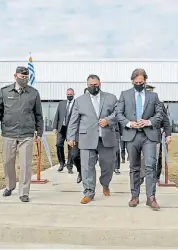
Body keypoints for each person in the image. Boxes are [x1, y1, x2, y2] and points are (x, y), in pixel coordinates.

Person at [0, 66, 43, 203]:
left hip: (26, 134)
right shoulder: (4, 92)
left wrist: (39, 132)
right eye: (21, 77)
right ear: (15, 76)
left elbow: (38, 115)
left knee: (25, 164)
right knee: (8, 162)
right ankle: (10, 185)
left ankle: (24, 192)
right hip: (8, 133)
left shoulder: (33, 93)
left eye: (26, 77)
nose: (24, 79)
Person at [116, 68, 163, 211]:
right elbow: (118, 113)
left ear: (145, 81)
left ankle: (151, 197)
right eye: (136, 82)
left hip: (149, 136)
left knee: (150, 166)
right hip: (132, 135)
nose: (138, 84)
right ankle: (134, 196)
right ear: (132, 81)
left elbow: (159, 114)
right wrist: (130, 123)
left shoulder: (153, 96)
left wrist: (148, 122)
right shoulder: (124, 95)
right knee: (134, 167)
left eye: (141, 82)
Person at [67, 74, 118, 204]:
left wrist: (108, 120)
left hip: (106, 137)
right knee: (86, 167)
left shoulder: (111, 98)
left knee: (108, 165)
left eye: (95, 85)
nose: (93, 87)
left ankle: (105, 184)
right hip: (87, 138)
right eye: (90, 85)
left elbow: (118, 113)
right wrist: (71, 136)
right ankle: (89, 192)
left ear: (100, 84)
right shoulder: (79, 100)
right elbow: (73, 120)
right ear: (87, 85)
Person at [143, 85, 172, 183]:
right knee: (141, 158)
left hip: (155, 134)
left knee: (155, 158)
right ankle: (141, 176)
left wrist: (168, 134)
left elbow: (166, 121)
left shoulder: (159, 104)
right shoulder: (137, 103)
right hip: (140, 134)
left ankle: (156, 177)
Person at [53, 88, 76, 173]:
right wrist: (55, 127)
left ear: (74, 94)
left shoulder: (76, 104)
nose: (69, 96)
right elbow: (57, 116)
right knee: (58, 144)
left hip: (71, 129)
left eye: (71, 94)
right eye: (68, 94)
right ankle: (62, 163)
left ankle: (70, 166)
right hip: (61, 128)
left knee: (71, 147)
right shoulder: (61, 103)